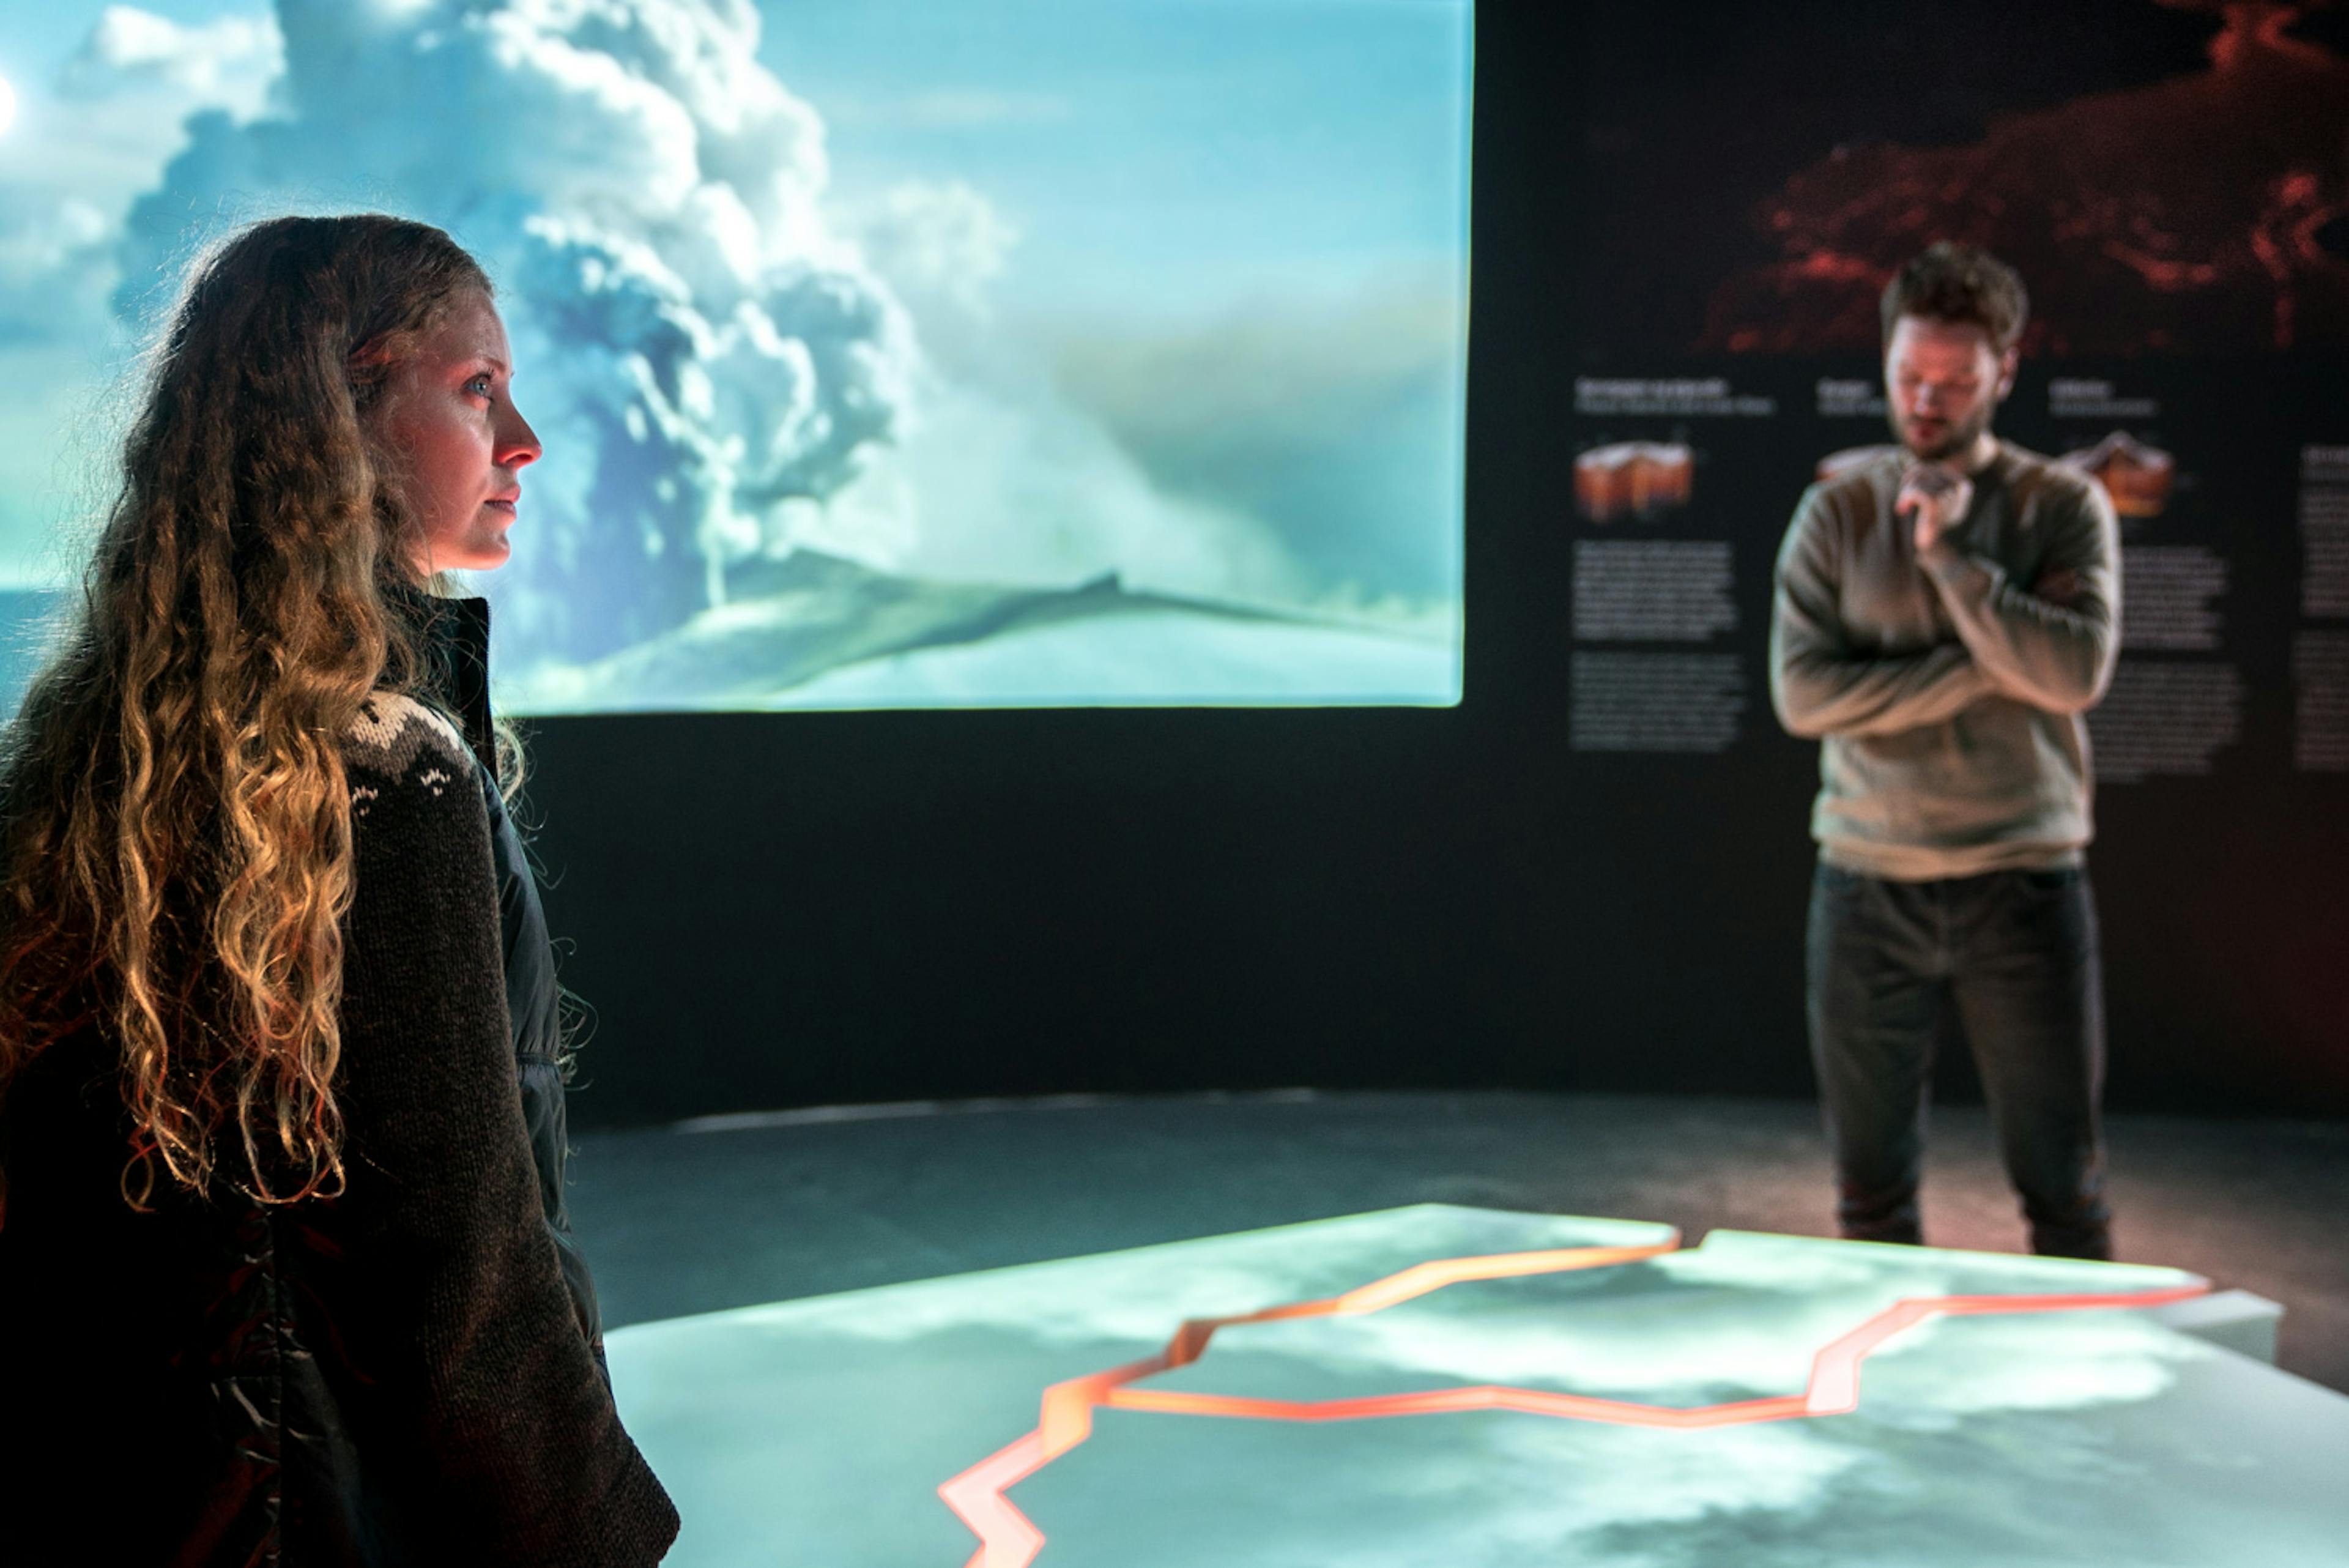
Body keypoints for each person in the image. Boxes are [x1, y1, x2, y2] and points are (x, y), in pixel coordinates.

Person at [0, 215, 679, 1564]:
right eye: (478, 389)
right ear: (342, 417)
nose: (525, 441)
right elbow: (456, 1272)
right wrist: (598, 1539)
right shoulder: (380, 770)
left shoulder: (93, 756)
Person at [1768, 241, 2122, 1260]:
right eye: (1909, 375)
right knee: (1869, 1200)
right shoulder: (1837, 511)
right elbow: (1803, 697)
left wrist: (1951, 563)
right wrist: (1991, 664)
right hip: (1866, 884)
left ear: (2005, 371)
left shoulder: (2062, 505)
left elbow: (2073, 675)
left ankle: (2084, 1369)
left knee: (2065, 1193)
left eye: (1956, 381)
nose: (1927, 401)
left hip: (2024, 884)